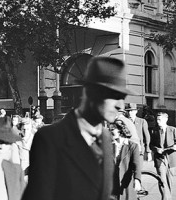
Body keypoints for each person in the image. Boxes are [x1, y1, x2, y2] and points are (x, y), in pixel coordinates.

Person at [23, 57, 133, 200]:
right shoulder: (50, 139)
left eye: (123, 97)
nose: (121, 106)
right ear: (90, 93)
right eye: (113, 95)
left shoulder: (106, 138)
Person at [109, 122, 143, 200]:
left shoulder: (133, 146)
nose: (110, 131)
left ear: (121, 130)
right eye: (109, 129)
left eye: (112, 129)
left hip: (126, 183)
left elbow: (136, 164)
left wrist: (137, 179)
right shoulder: (109, 145)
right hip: (112, 183)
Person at [150, 112, 176, 200]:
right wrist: (156, 149)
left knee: (169, 181)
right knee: (162, 181)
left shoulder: (173, 129)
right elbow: (151, 145)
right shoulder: (154, 130)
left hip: (171, 158)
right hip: (160, 159)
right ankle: (165, 198)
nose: (158, 121)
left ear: (165, 120)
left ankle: (168, 198)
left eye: (160, 119)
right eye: (157, 119)